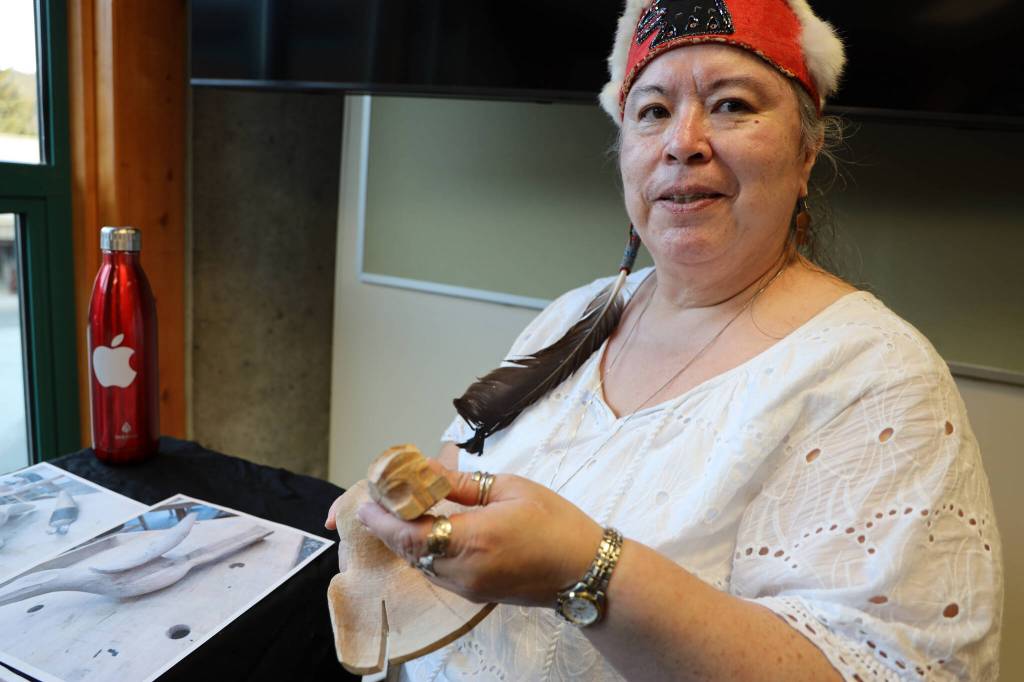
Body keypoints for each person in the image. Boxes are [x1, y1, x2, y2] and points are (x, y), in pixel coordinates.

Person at [326, 0, 1003, 679]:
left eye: (733, 105)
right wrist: (401, 523)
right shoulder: (575, 314)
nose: (684, 141)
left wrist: (586, 569)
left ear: (807, 149)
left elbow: (881, 668)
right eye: (651, 111)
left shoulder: (876, 377)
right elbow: (458, 479)